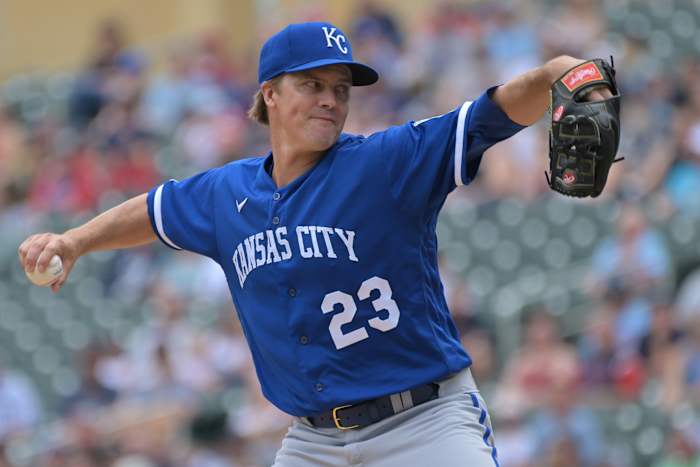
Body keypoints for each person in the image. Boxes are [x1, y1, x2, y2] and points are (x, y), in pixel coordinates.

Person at [19, 21, 613, 466]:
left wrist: (560, 68)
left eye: (341, 87)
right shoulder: (226, 193)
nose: (331, 98)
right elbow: (152, 210)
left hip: (425, 423)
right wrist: (73, 241)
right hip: (312, 442)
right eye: (312, 84)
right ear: (269, 94)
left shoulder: (386, 162)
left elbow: (491, 113)